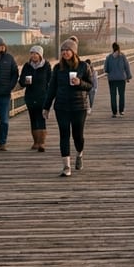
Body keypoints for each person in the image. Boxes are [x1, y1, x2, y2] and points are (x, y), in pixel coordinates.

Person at [43, 39, 93, 177]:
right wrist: (46, 107)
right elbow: (52, 88)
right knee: (64, 135)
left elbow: (90, 85)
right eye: (63, 50)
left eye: (67, 50)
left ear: (74, 52)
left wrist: (80, 82)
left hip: (79, 106)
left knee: (78, 136)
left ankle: (79, 154)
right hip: (61, 106)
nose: (65, 52)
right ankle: (66, 167)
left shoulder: (83, 66)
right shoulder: (58, 68)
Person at [19, 45, 52, 151]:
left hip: (42, 96)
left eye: (36, 53)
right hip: (30, 96)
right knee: (33, 118)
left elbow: (50, 81)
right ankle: (35, 142)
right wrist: (25, 81)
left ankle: (42, 142)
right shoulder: (27, 66)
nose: (33, 55)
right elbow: (21, 82)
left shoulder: (46, 65)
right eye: (32, 53)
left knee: (41, 118)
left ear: (40, 55)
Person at [104, 42, 132, 117]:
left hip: (112, 79)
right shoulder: (122, 56)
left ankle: (114, 112)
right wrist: (128, 77)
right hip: (121, 79)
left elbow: (105, 69)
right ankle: (121, 111)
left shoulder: (109, 57)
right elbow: (127, 67)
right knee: (121, 95)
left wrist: (110, 71)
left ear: (112, 48)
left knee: (113, 96)